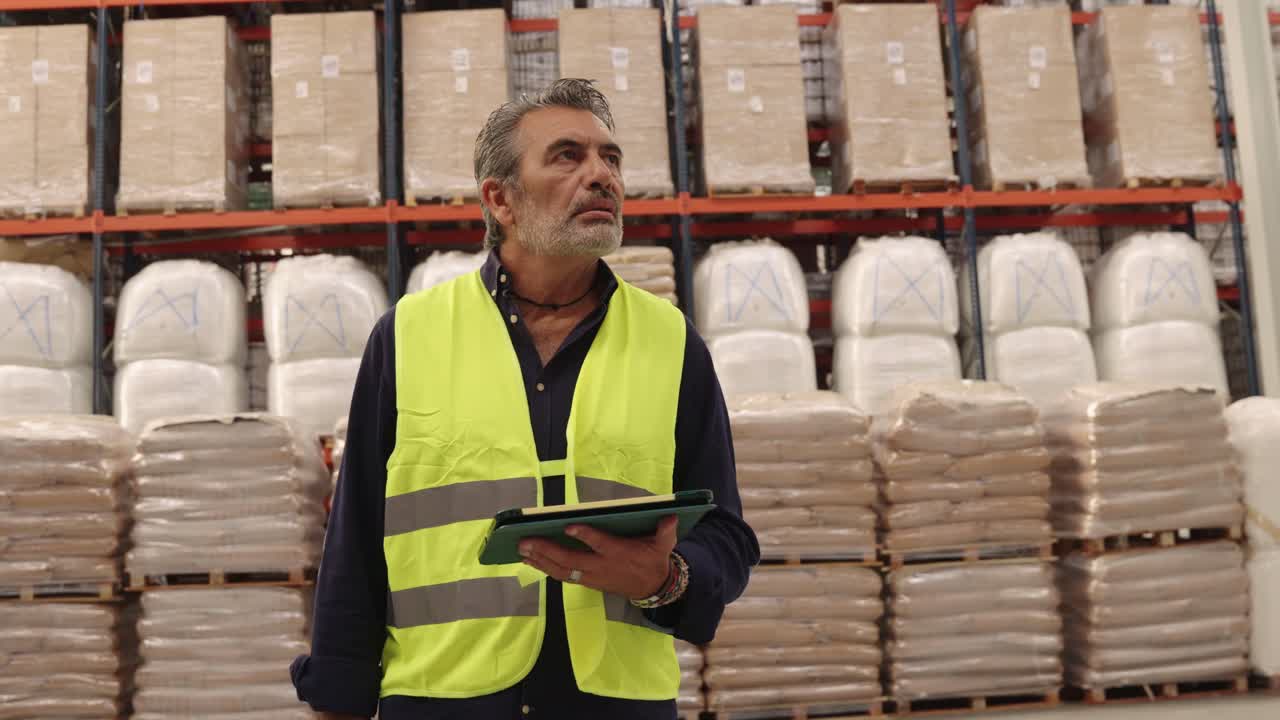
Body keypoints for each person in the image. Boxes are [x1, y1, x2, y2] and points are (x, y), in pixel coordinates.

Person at [290, 78, 759, 720]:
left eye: (611, 158)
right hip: (444, 698)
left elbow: (728, 537)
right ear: (500, 199)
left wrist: (664, 580)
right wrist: (338, 699)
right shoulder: (409, 336)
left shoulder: (671, 342)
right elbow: (356, 542)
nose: (601, 176)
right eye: (568, 156)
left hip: (612, 705)